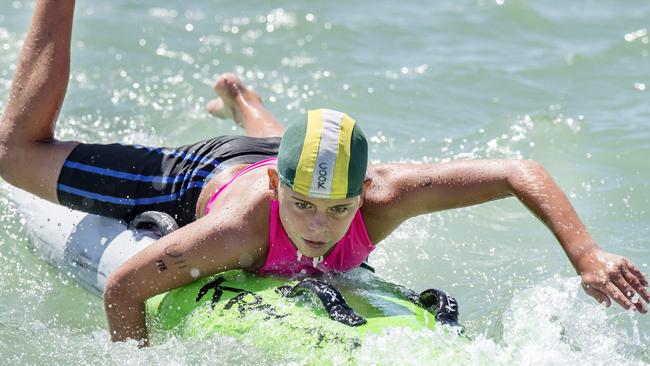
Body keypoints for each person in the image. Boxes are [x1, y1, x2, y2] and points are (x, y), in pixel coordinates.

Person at [0, 0, 647, 347]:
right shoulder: (233, 231)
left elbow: (517, 170)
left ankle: (245, 102)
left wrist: (586, 254)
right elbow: (124, 290)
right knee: (14, 155)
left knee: (299, 156)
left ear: (363, 195)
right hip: (208, 172)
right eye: (304, 205)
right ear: (278, 191)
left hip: (280, 158)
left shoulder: (382, 195)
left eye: (339, 209)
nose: (319, 227)